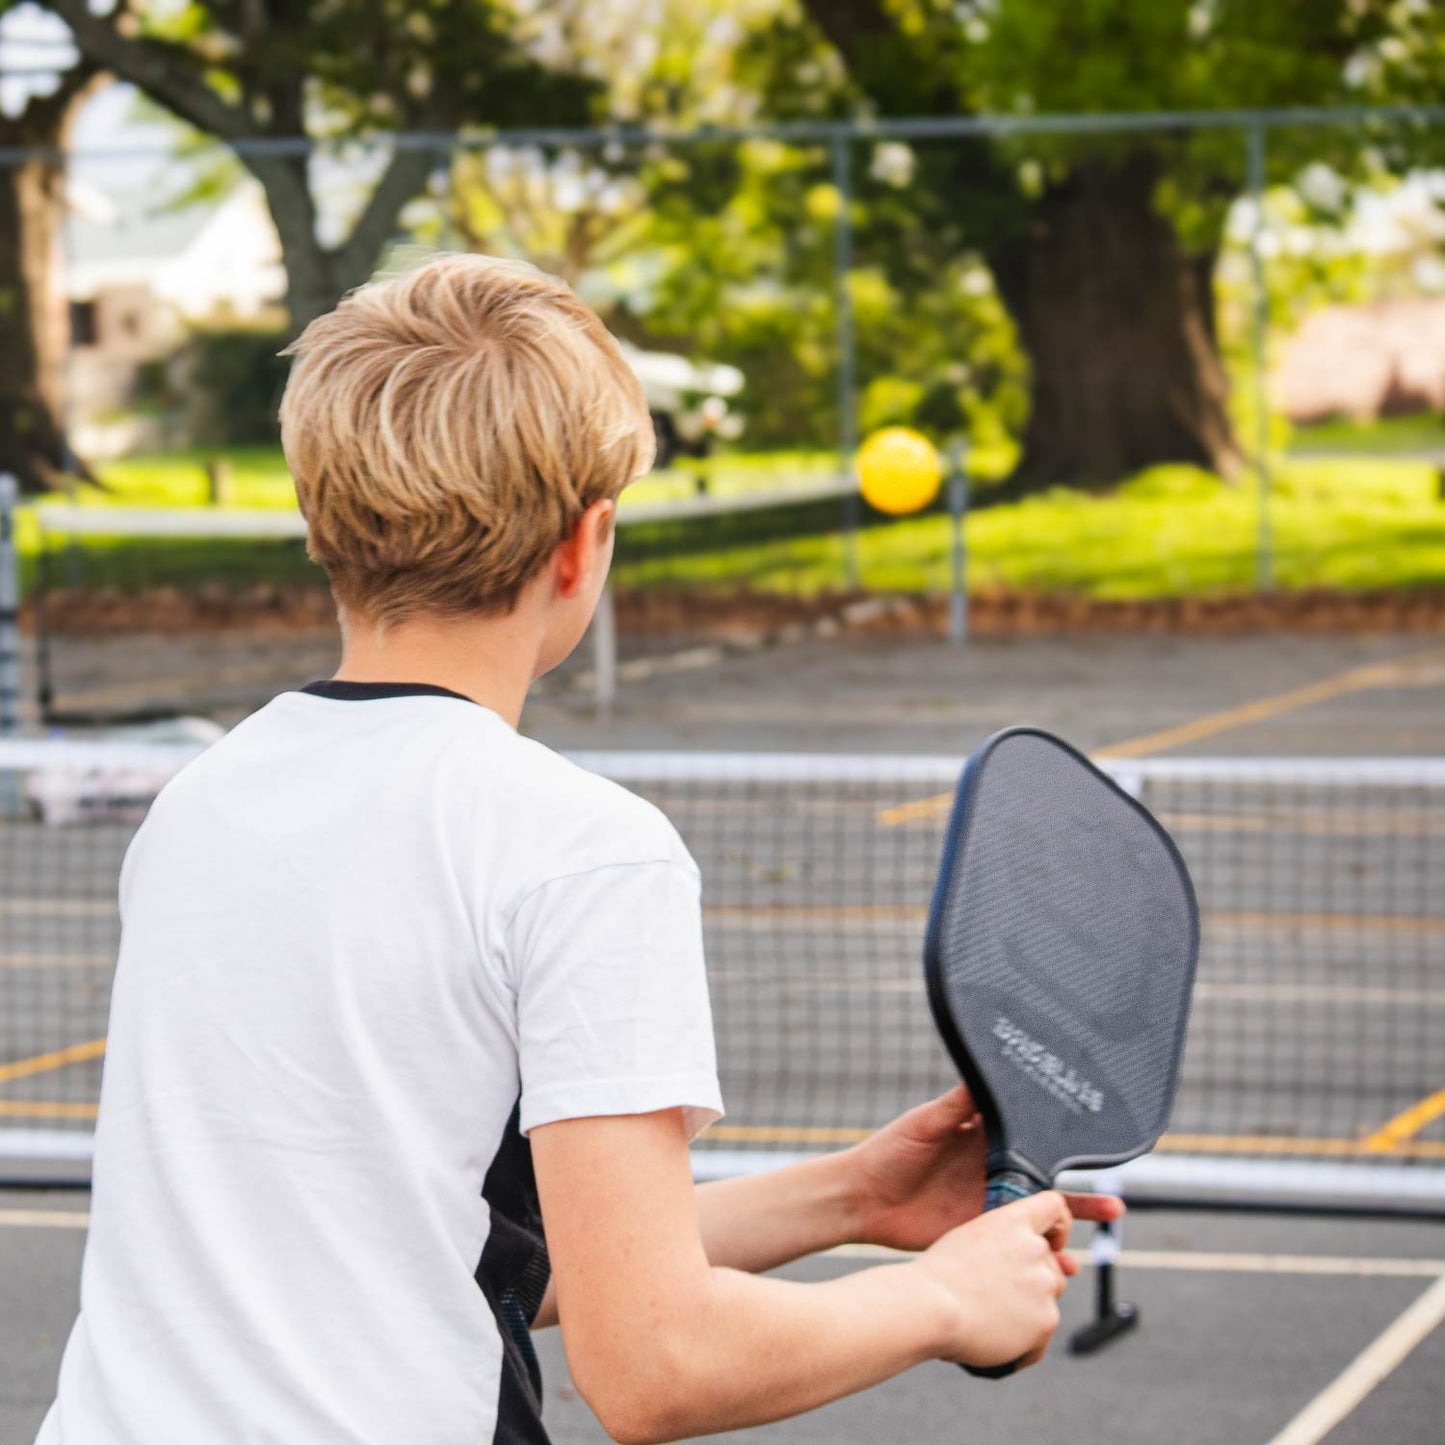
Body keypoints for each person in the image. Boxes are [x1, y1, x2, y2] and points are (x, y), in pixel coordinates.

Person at [36, 254, 1121, 1445]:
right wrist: (944, 1296)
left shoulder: (200, 804)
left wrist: (851, 1196)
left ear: (316, 518)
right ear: (582, 543)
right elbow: (654, 1364)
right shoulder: (580, 851)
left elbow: (427, 1255)